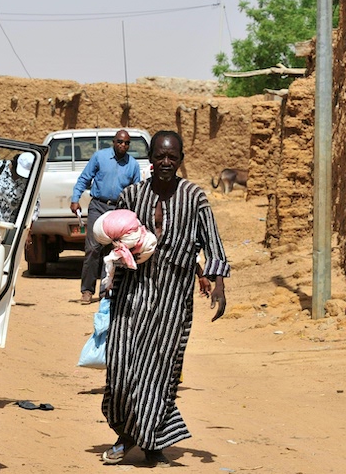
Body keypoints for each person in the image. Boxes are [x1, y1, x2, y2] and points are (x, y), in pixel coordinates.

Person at [99, 130, 229, 468]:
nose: (166, 162)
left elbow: (211, 241)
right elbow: (110, 237)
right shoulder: (131, 195)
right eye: (160, 156)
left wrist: (218, 283)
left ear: (181, 159)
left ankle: (148, 441)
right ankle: (130, 433)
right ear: (151, 159)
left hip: (173, 298)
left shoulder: (194, 197)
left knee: (159, 370)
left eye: (172, 156)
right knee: (121, 367)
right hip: (131, 293)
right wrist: (112, 265)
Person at [70, 129, 141, 304]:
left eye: (126, 143)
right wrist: (75, 199)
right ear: (114, 142)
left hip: (118, 209)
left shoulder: (133, 165)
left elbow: (136, 191)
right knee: (93, 248)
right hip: (98, 206)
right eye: (120, 141)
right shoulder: (99, 157)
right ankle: (87, 290)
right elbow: (84, 178)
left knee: (112, 251)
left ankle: (105, 291)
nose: (123, 145)